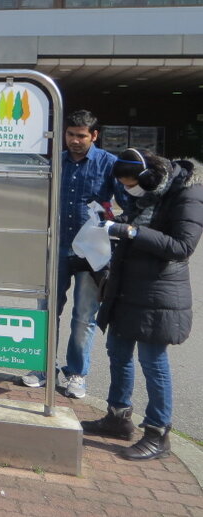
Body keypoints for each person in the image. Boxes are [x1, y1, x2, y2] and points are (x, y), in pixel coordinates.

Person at [81, 148, 203, 460]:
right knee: (118, 352)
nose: (128, 189)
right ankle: (118, 418)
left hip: (159, 291)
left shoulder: (187, 194)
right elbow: (135, 221)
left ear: (149, 176)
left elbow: (182, 246)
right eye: (123, 184)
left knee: (153, 360)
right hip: (127, 285)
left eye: (131, 183)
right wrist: (112, 222)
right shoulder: (143, 193)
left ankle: (158, 433)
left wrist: (131, 231)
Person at [19, 109, 124, 399]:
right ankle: (42, 367)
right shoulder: (55, 162)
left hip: (92, 252)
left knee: (84, 316)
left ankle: (77, 373)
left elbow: (126, 201)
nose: (74, 141)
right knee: (48, 310)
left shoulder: (109, 164)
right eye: (70, 135)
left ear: (94, 136)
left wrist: (115, 227)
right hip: (56, 246)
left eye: (81, 136)